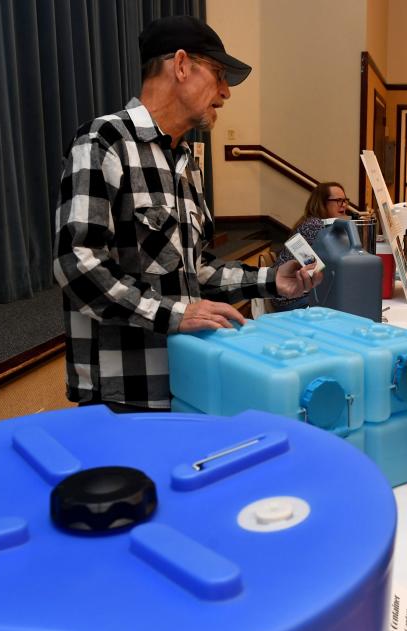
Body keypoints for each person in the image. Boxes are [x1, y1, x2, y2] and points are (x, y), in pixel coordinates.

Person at [53, 16, 319, 412]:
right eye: (219, 74)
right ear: (180, 66)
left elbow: (195, 271)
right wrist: (176, 315)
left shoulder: (186, 163)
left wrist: (271, 281)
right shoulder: (103, 142)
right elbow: (77, 265)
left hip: (185, 383)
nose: (226, 92)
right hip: (123, 398)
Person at [272, 182, 351, 311]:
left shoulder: (319, 223)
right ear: (322, 203)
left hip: (298, 292)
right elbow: (324, 267)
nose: (344, 205)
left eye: (345, 200)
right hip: (291, 297)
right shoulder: (314, 225)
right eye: (338, 201)